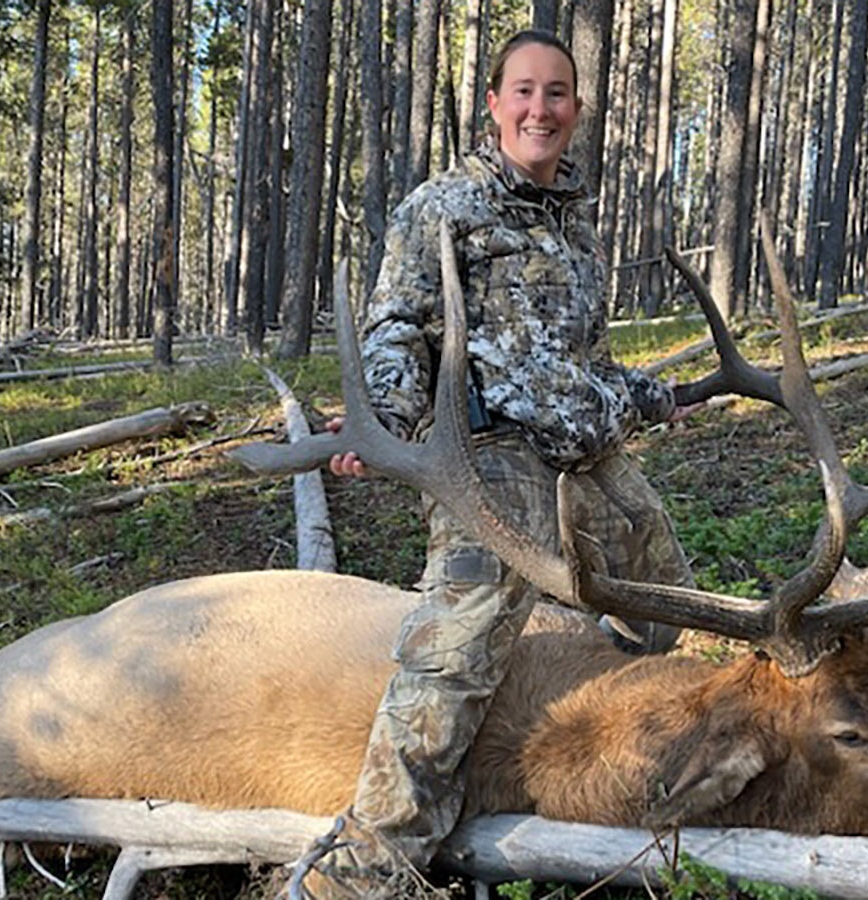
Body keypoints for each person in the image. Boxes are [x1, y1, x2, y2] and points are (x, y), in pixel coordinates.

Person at [310, 30, 700, 897]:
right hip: (486, 459)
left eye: (557, 93)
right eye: (523, 91)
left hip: (589, 457)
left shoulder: (576, 222)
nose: (540, 109)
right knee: (456, 649)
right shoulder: (444, 205)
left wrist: (648, 395)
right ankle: (367, 866)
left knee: (667, 593)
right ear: (493, 104)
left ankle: (605, 767)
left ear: (576, 109)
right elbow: (395, 328)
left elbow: (578, 363)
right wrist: (389, 421)